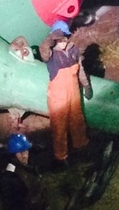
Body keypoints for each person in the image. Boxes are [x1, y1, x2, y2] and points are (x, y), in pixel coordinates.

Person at [38, 19, 91, 166]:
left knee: (77, 120)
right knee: (59, 127)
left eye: (65, 38)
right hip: (57, 97)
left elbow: (80, 69)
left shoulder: (74, 50)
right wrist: (50, 37)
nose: (63, 42)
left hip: (73, 93)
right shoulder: (51, 55)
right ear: (54, 40)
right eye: (59, 40)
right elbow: (43, 51)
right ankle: (61, 157)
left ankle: (81, 146)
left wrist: (86, 85)